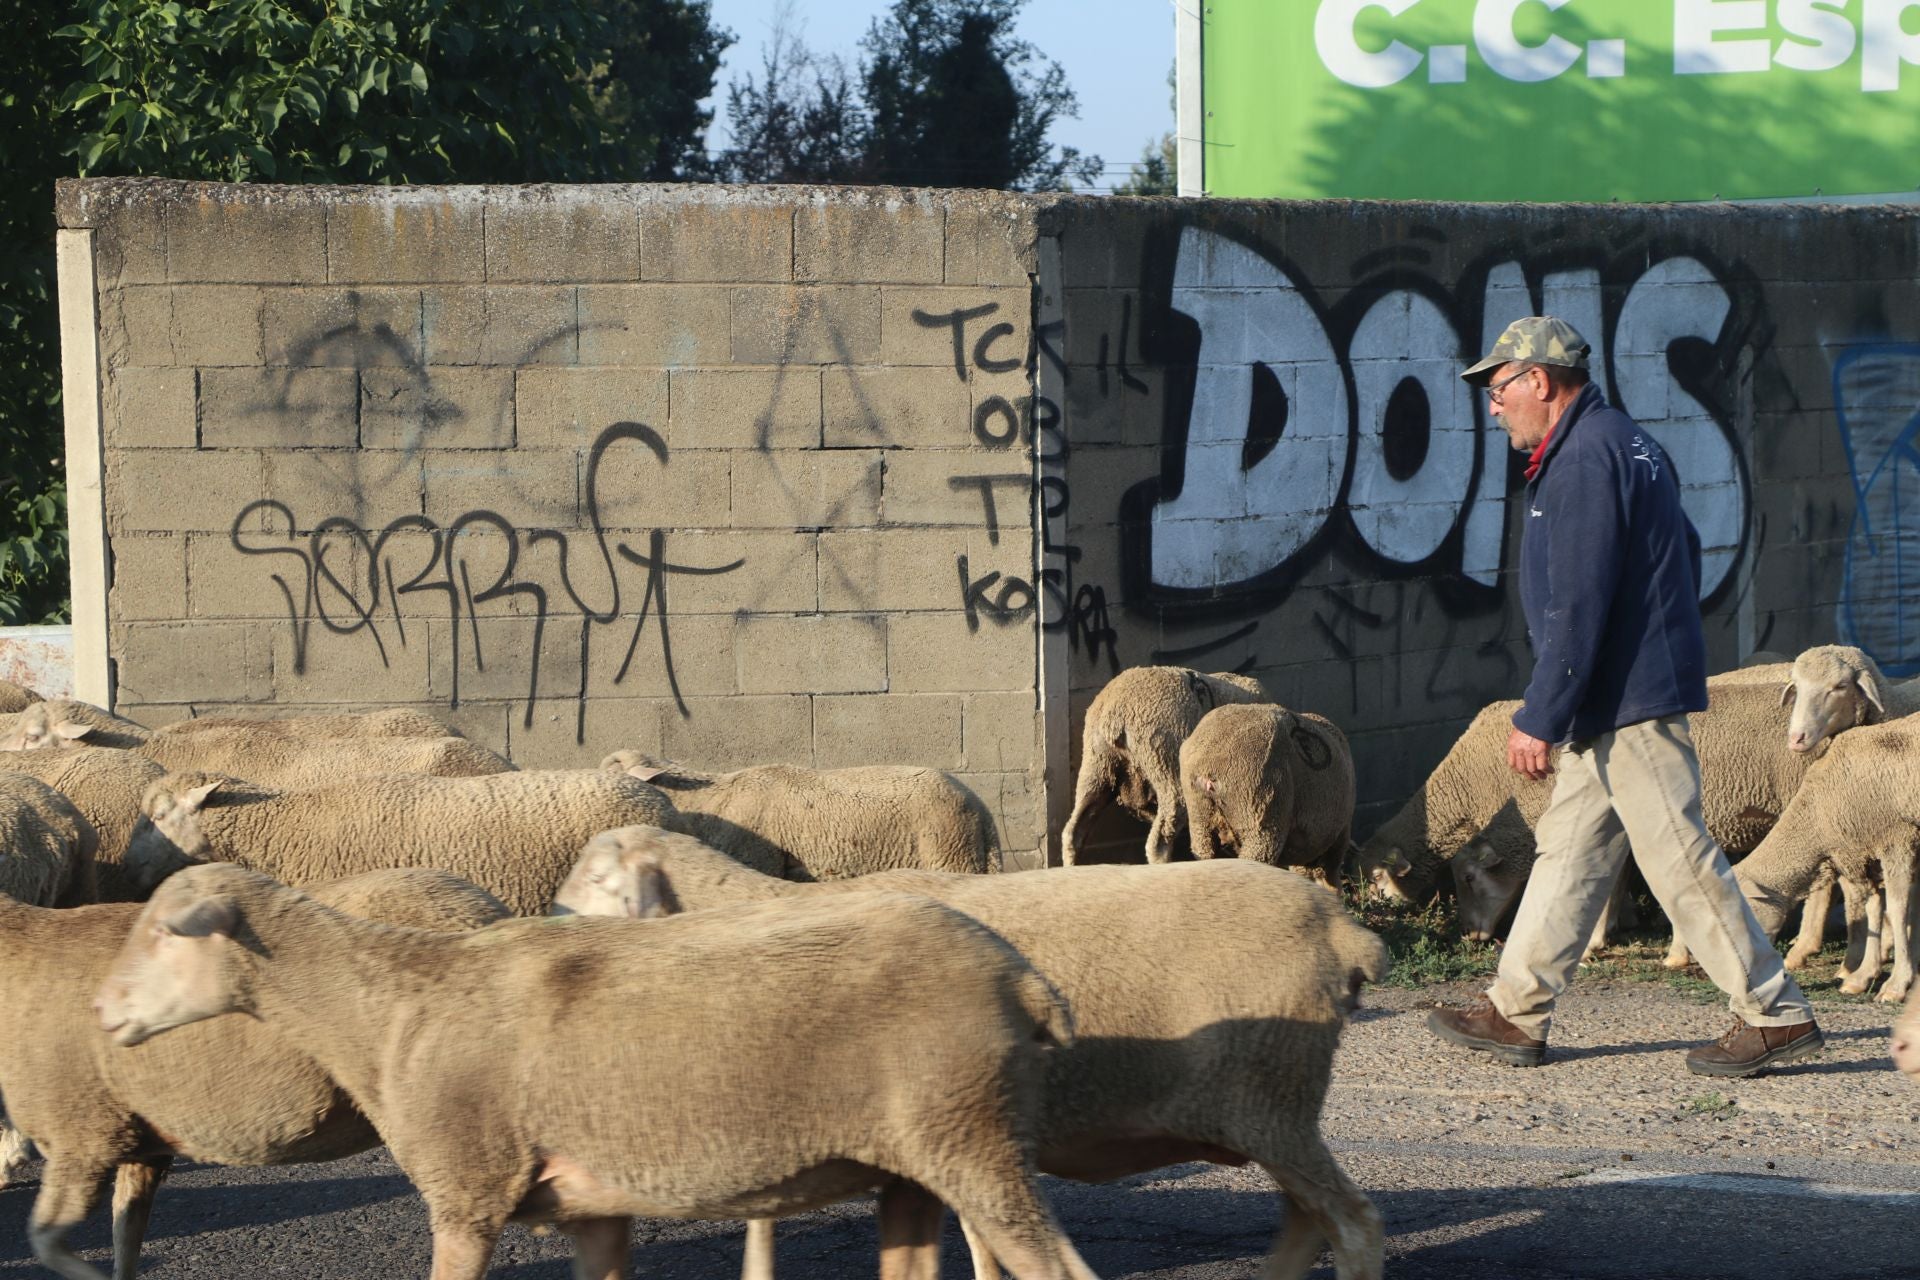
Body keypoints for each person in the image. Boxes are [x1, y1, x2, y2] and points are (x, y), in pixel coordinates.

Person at [1426, 316, 1821, 1078]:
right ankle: (1517, 1011)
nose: (1493, 405)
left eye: (1500, 387)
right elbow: (1673, 557)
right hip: (1612, 695)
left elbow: (1578, 604)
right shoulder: (1627, 443)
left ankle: (1773, 1013)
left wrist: (1539, 714)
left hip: (1624, 697)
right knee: (1570, 851)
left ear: (1540, 380)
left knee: (1678, 858)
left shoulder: (1585, 459)